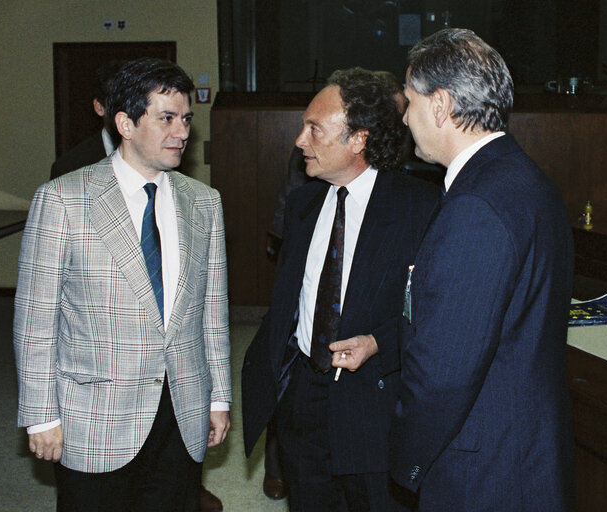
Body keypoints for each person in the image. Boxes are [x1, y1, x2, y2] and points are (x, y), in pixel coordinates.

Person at [14, 58, 231, 512]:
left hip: (182, 410)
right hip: (95, 416)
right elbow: (35, 319)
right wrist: (40, 415)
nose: (182, 131)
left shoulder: (204, 203)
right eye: (166, 118)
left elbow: (213, 314)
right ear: (125, 124)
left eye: (186, 118)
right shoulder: (63, 199)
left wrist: (219, 396)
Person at [389, 28, 575, 511]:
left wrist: (405, 458)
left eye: (409, 101)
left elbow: (445, 373)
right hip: (521, 448)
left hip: (482, 470)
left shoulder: (477, 205)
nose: (405, 117)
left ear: (440, 105)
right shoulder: (524, 178)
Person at [242, 67, 440, 511]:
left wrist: (378, 343)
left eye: (314, 128)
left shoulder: (420, 207)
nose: (299, 140)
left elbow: (437, 313)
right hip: (301, 402)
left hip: (373, 406)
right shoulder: (302, 204)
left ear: (358, 139)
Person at [50, 60, 123, 180]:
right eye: (118, 102)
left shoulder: (159, 156)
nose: (128, 110)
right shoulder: (70, 167)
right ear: (99, 107)